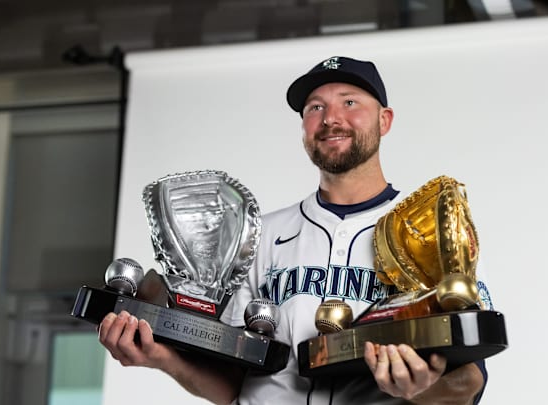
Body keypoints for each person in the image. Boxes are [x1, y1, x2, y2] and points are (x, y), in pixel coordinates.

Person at [99, 56, 491, 404]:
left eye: (349, 102)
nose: (331, 118)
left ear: (384, 120)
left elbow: (470, 381)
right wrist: (161, 358)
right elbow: (234, 383)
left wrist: (421, 391)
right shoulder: (259, 235)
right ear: (305, 127)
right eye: (315, 107)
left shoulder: (426, 234)